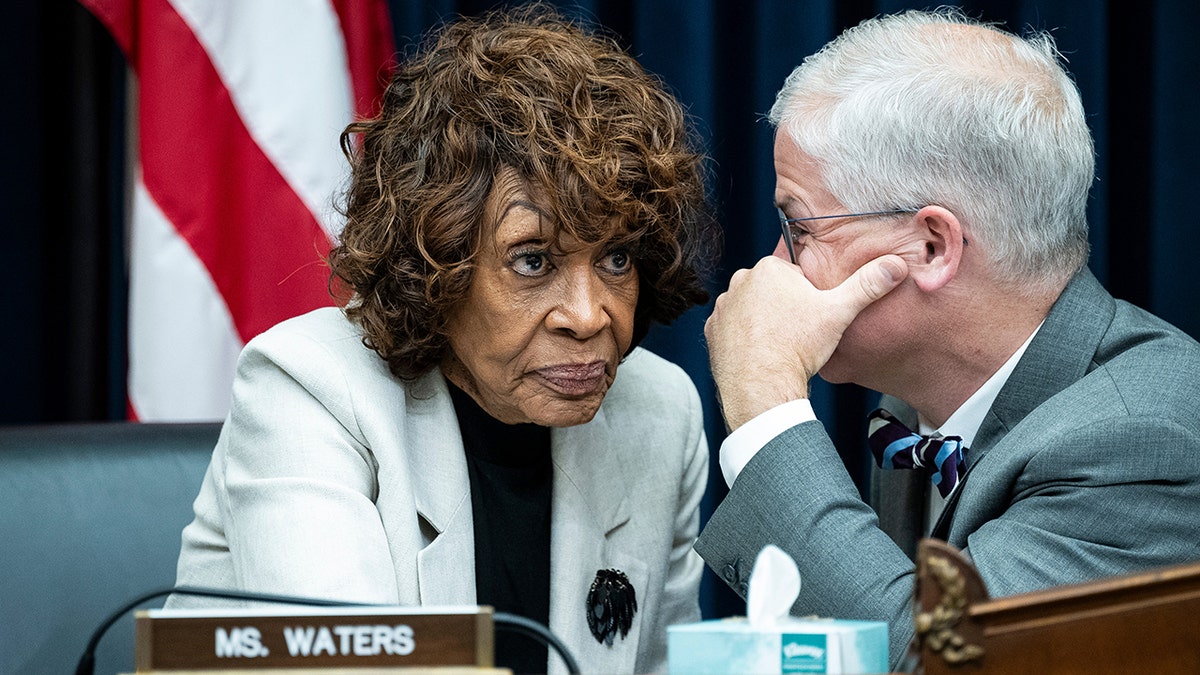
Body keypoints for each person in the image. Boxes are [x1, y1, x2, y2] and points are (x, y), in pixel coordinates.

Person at [169, 7, 718, 675]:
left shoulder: (660, 415)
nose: (588, 315)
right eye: (533, 260)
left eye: (617, 259)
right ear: (439, 266)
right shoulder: (309, 388)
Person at [695, 7, 1200, 670]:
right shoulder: (917, 403)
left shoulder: (1141, 439)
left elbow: (940, 662)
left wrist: (765, 407)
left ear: (932, 245)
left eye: (802, 230)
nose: (775, 266)